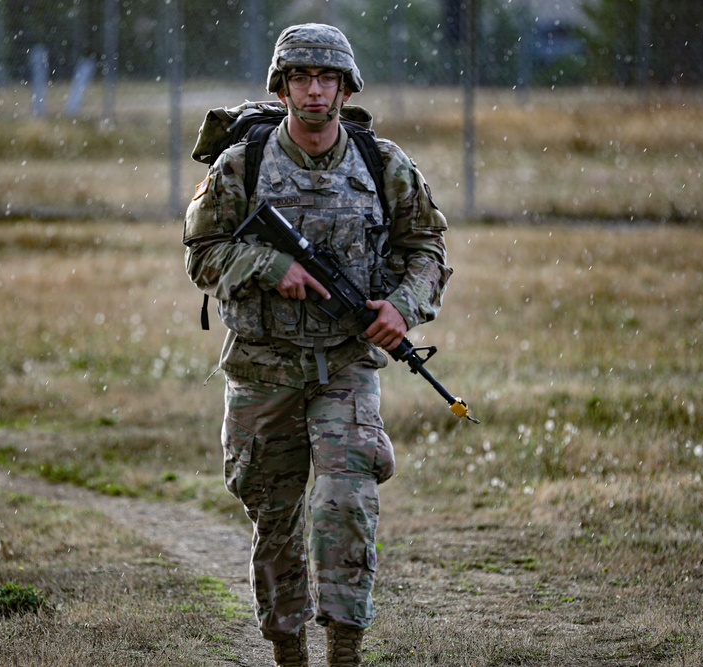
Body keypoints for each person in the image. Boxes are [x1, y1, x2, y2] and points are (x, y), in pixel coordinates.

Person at [183, 23, 451, 667]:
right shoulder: (241, 164)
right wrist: (273, 269)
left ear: (345, 87)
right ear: (281, 89)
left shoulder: (382, 164)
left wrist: (401, 308)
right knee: (274, 516)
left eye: (326, 78)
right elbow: (202, 254)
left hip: (345, 364)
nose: (313, 91)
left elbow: (428, 250)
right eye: (300, 78)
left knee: (346, 501)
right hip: (262, 365)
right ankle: (288, 652)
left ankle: (345, 649)